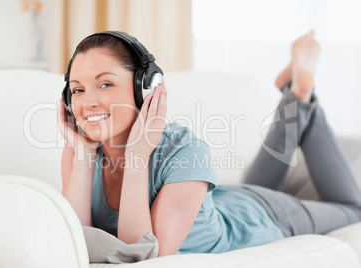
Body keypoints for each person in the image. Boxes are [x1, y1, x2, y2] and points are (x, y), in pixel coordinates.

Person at [57, 30, 361, 257]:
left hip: (261, 216)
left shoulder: (186, 150)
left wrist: (138, 156)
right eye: (78, 90)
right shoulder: (80, 152)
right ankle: (294, 93)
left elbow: (142, 256)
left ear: (147, 88)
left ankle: (301, 98)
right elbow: (77, 244)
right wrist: (83, 155)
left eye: (105, 84)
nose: (88, 103)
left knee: (353, 209)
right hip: (219, 202)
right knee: (253, 185)